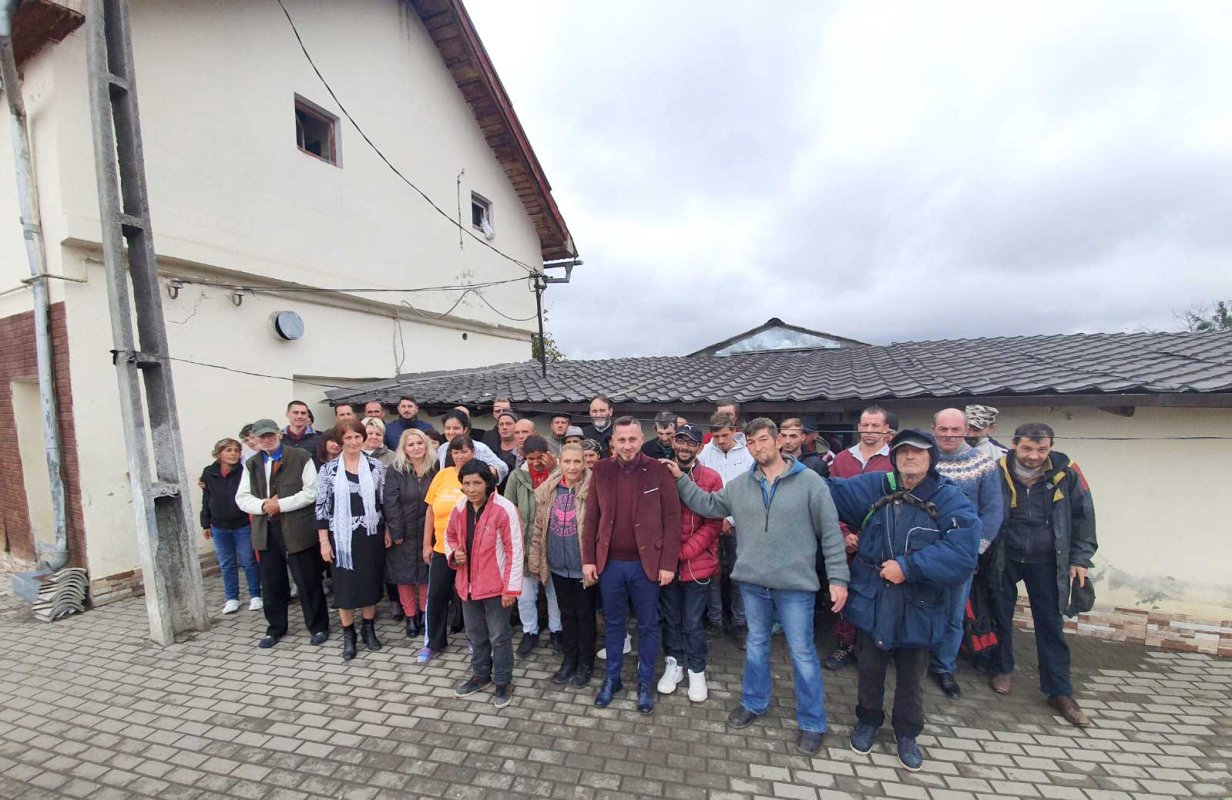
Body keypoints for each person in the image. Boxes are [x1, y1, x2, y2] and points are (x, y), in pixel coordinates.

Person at [668, 418, 849, 756]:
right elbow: (708, 505)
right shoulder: (740, 485)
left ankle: (812, 722)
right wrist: (680, 479)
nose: (758, 447)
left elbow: (830, 533)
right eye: (751, 443)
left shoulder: (811, 483)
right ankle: (753, 702)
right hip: (753, 584)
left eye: (764, 440)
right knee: (756, 646)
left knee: (802, 654)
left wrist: (838, 579)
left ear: (778, 441)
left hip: (795, 586)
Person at [827, 429, 979, 771]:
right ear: (894, 457)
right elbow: (829, 493)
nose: (910, 458)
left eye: (918, 453)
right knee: (869, 667)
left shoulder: (949, 497)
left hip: (918, 604)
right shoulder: (877, 485)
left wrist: (909, 567)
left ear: (931, 459)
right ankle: (867, 721)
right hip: (873, 598)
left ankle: (907, 732)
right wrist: (789, 468)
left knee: (912, 674)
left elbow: (963, 552)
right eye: (903, 453)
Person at [987, 423, 1096, 727]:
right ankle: (1003, 668)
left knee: (1050, 624)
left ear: (1050, 447)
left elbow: (1084, 516)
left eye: (1041, 449)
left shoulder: (1068, 472)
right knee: (1000, 615)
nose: (1034, 455)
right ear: (1014, 445)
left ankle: (1059, 690)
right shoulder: (995, 470)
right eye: (1027, 448)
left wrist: (1080, 558)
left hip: (1048, 559)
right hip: (1004, 556)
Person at [582, 416, 680, 714]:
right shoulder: (601, 469)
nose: (627, 445)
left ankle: (645, 683)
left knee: (648, 626)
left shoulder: (658, 470)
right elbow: (592, 518)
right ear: (613, 441)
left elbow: (672, 519)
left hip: (646, 565)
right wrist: (588, 559)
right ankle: (612, 680)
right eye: (621, 440)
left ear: (641, 438)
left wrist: (667, 564)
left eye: (632, 439)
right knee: (613, 625)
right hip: (610, 564)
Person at [929, 408, 1004, 699]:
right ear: (934, 429)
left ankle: (944, 666)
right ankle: (915, 658)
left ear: (966, 430)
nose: (949, 435)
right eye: (943, 429)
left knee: (953, 615)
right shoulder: (923, 458)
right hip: (923, 552)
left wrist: (975, 550)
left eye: (955, 430)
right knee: (920, 608)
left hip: (961, 556)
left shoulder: (982, 463)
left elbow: (993, 512)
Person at [235, 419, 328, 648]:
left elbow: (312, 492)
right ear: (255, 439)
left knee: (307, 579)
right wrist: (264, 506)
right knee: (272, 581)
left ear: (279, 434)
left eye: (270, 435)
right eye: (261, 437)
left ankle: (318, 626)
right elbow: (242, 497)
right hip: (266, 528)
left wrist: (282, 505)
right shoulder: (252, 463)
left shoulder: (300, 457)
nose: (267, 440)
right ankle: (275, 628)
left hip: (296, 527)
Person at [824, 405, 895, 671]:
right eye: (865, 425)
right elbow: (829, 499)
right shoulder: (842, 459)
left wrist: (865, 536)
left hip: (881, 542)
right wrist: (843, 533)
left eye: (875, 426)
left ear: (886, 429)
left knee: (878, 596)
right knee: (845, 592)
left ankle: (874, 648)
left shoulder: (893, 461)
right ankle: (844, 645)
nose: (869, 430)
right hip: (845, 541)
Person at [447, 460, 522, 709]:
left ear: (488, 484)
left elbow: (515, 550)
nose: (471, 489)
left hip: (497, 588)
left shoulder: (504, 509)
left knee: (499, 636)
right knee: (476, 635)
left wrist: (511, 589)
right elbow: (449, 537)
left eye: (477, 483)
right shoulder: (459, 509)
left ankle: (503, 681)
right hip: (467, 586)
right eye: (466, 483)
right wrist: (454, 553)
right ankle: (480, 675)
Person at [656, 423, 722, 703]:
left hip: (697, 564)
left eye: (689, 443)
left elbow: (713, 523)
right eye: (679, 442)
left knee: (693, 622)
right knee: (670, 619)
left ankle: (696, 670)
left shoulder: (710, 477)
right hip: (665, 565)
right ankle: (674, 664)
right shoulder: (659, 474)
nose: (683, 447)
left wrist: (682, 551)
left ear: (698, 447)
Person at [314, 420, 387, 661]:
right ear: (340, 441)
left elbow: (383, 502)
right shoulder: (329, 470)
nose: (354, 442)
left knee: (369, 582)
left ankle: (369, 628)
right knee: (345, 586)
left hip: (370, 533)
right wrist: (324, 541)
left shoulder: (376, 466)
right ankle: (349, 634)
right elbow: (322, 508)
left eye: (358, 437)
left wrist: (386, 530)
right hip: (341, 537)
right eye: (348, 438)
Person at [527, 443, 596, 687]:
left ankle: (586, 663)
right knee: (566, 614)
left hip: (583, 566)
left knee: (584, 615)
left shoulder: (593, 489)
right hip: (557, 564)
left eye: (577, 462)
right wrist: (535, 558)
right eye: (567, 461)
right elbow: (538, 527)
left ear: (585, 463)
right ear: (559, 462)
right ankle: (569, 659)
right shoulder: (550, 490)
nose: (572, 466)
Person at [697, 412, 755, 646]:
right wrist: (715, 518)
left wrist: (730, 520)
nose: (720, 440)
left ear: (734, 430)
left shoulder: (749, 455)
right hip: (711, 522)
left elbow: (750, 492)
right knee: (712, 573)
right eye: (716, 435)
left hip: (739, 523)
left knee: (738, 574)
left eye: (724, 435)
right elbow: (701, 489)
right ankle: (715, 619)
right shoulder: (704, 454)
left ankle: (739, 622)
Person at [419, 436, 477, 664]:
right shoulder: (442, 475)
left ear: (472, 452)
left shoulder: (479, 475)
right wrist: (426, 543)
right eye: (456, 452)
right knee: (436, 595)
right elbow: (430, 511)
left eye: (464, 451)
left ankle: (475, 639)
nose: (460, 456)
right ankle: (433, 642)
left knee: (469, 597)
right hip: (442, 549)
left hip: (469, 550)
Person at [503, 435, 562, 656]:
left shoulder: (559, 474)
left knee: (554, 593)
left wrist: (555, 470)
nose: (536, 462)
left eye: (540, 457)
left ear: (548, 453)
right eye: (531, 458)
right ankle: (530, 631)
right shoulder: (516, 478)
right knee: (526, 595)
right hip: (526, 544)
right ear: (523, 457)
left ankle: (557, 629)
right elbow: (509, 511)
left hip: (554, 543)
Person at [383, 429, 438, 639]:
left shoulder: (436, 468)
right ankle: (410, 615)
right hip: (403, 531)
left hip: (428, 531)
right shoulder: (396, 470)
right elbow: (390, 501)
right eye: (410, 444)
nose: (416, 448)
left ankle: (425, 613)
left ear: (426, 445)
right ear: (404, 449)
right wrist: (396, 531)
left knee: (426, 574)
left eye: (419, 443)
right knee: (403, 577)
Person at [201, 437, 261, 614]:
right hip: (219, 525)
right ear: (219, 454)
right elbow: (207, 498)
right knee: (226, 563)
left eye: (236, 450)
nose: (233, 454)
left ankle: (256, 595)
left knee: (248, 561)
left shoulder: (244, 470)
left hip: (241, 523)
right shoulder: (209, 472)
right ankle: (232, 597)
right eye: (229, 450)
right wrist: (206, 522)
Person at [435, 410, 510, 483]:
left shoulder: (480, 448)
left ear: (465, 429)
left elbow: (503, 467)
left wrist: (489, 472)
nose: (451, 432)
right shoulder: (442, 449)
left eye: (456, 428)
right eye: (447, 428)